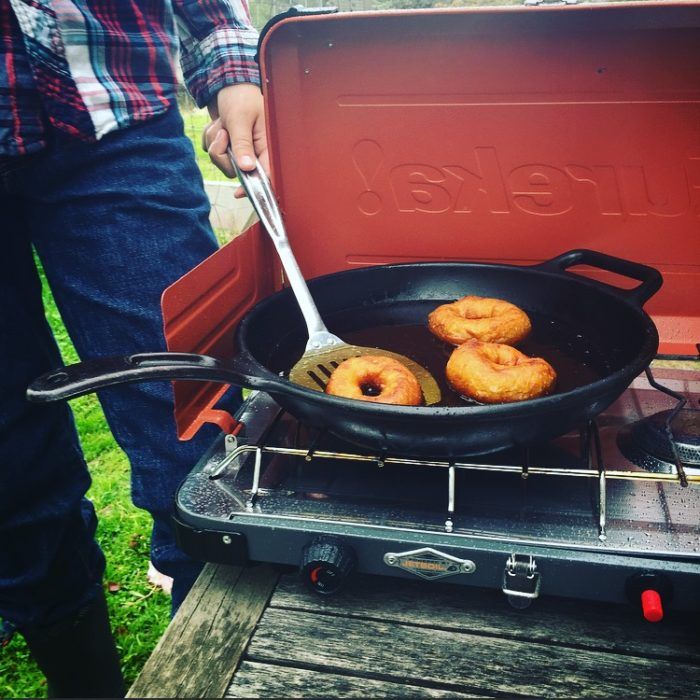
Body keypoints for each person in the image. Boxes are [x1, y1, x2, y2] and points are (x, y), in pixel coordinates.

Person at [0, 0, 267, 696]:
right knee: (9, 467)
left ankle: (208, 666)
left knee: (198, 440)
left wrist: (233, 66)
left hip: (117, 121)